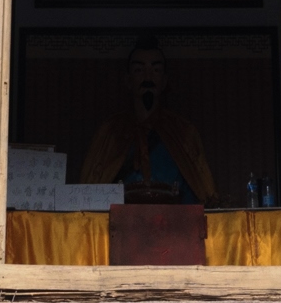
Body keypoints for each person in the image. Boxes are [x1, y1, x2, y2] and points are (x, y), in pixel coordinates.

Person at [80, 37, 220, 206]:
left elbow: (203, 190)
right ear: (128, 80)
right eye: (139, 70)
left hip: (174, 223)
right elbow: (88, 194)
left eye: (155, 70)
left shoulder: (183, 132)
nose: (148, 77)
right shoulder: (110, 132)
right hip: (123, 223)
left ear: (165, 81)